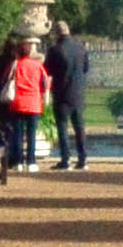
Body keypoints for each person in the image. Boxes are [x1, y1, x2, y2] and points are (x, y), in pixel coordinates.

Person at [0, 29, 52, 169]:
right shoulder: (38, 66)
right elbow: (45, 83)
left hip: (17, 103)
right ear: (29, 53)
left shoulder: (15, 65)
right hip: (34, 103)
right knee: (31, 135)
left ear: (18, 52)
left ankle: (18, 162)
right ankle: (31, 161)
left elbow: (4, 79)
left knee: (17, 134)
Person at [46, 20, 93, 170]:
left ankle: (66, 159)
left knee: (62, 126)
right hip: (78, 92)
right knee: (79, 127)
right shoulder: (80, 47)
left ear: (56, 34)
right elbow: (85, 68)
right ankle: (83, 158)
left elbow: (48, 70)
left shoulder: (55, 50)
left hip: (62, 92)